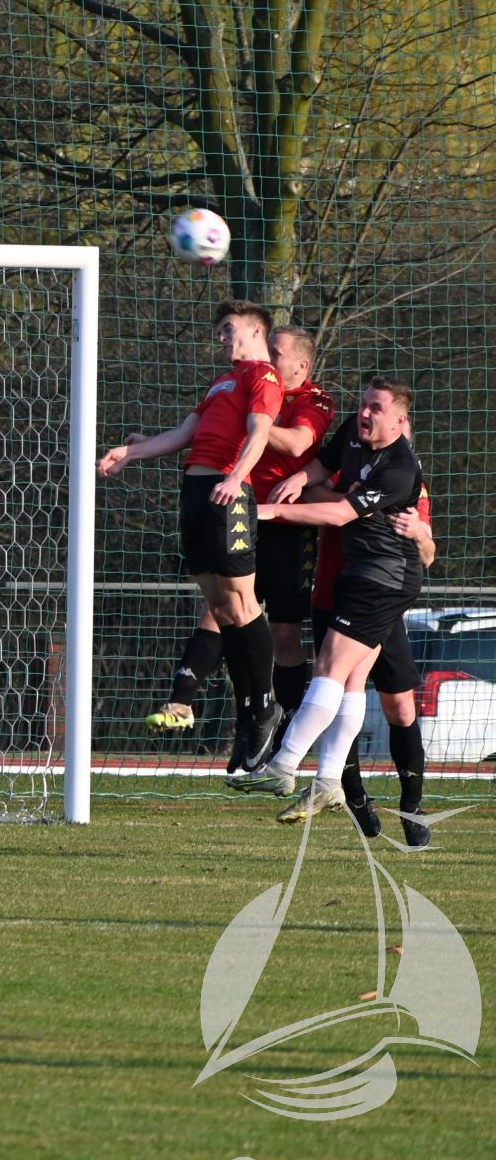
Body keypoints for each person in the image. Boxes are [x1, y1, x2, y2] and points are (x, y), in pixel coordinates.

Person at [99, 300, 285, 781]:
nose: (221, 337)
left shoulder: (262, 375)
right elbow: (186, 433)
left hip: (228, 492)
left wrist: (236, 477)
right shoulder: (221, 382)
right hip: (196, 493)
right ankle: (250, 714)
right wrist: (132, 452)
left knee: (242, 603)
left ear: (256, 331)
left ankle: (264, 707)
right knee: (221, 609)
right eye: (219, 330)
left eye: (228, 328)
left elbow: (259, 432)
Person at [242, 379, 425, 824]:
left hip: (384, 581)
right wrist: (298, 479)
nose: (365, 413)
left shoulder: (401, 468)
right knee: (351, 680)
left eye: (376, 408)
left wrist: (271, 510)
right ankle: (328, 781)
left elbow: (342, 513)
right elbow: (324, 465)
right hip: (358, 575)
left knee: (329, 668)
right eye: (364, 404)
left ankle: (283, 765)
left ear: (400, 420)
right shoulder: (353, 433)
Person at [144, 325, 336, 732]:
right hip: (236, 512)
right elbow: (198, 432)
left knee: (284, 632)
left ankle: (287, 731)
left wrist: (254, 425)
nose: (269, 358)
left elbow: (298, 443)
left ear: (301, 365)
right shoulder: (245, 384)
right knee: (220, 611)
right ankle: (187, 704)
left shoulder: (313, 399)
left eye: (277, 353)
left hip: (284, 523)